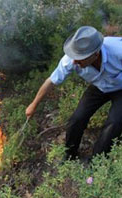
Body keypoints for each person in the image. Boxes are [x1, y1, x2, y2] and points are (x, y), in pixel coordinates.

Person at [25, 26, 122, 160]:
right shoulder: (70, 60)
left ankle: (97, 160)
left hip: (120, 89)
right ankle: (70, 154)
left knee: (114, 123)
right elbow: (51, 81)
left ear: (95, 54)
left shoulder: (118, 50)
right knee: (77, 119)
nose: (75, 61)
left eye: (80, 58)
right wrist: (33, 105)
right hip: (99, 86)